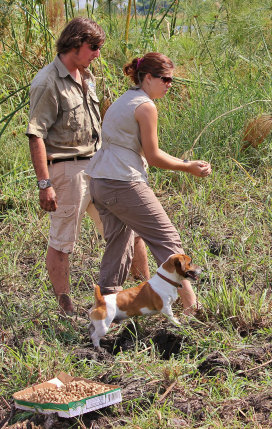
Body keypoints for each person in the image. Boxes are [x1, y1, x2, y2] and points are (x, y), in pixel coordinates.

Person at [26, 17, 150, 316]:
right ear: (74, 43)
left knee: (129, 231)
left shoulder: (87, 77)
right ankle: (65, 305)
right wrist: (45, 184)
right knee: (63, 239)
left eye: (99, 48)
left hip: (101, 166)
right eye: (93, 47)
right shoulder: (47, 82)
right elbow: (36, 134)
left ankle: (143, 292)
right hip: (68, 171)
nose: (97, 54)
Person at [86, 52, 211, 315]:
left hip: (101, 181)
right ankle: (192, 306)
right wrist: (188, 166)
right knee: (166, 239)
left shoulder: (124, 101)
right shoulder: (145, 106)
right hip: (123, 182)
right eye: (164, 79)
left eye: (172, 80)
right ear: (148, 77)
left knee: (119, 242)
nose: (169, 84)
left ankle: (107, 307)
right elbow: (153, 156)